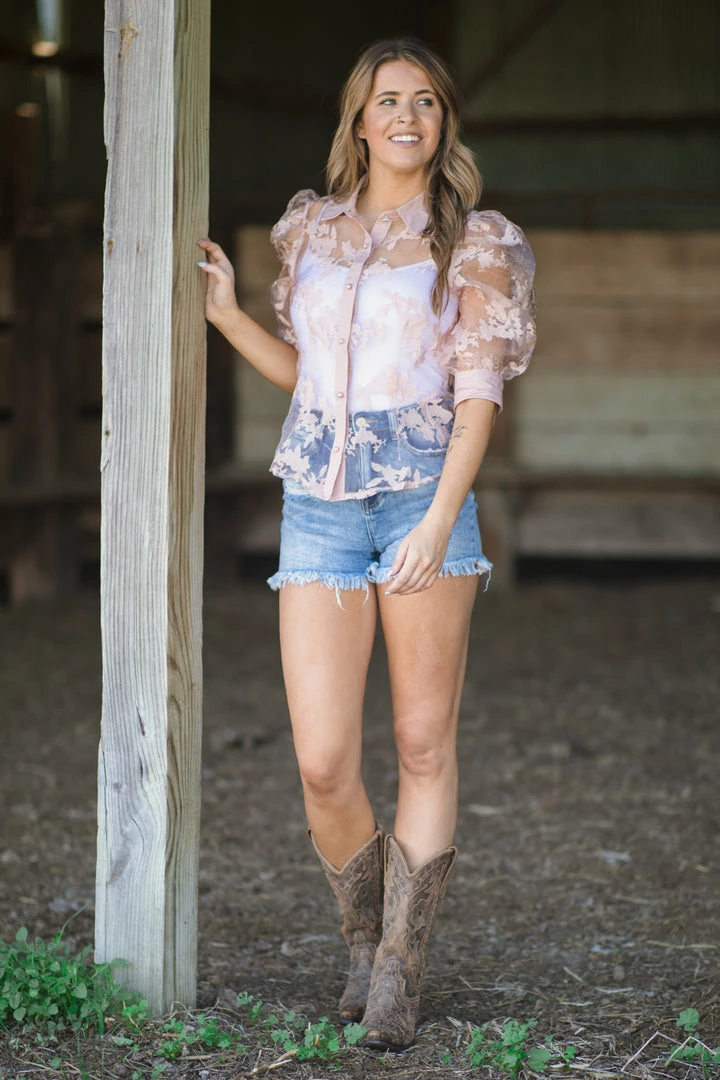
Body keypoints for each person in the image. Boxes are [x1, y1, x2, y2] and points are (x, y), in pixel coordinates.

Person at [198, 36, 536, 1052]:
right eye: (388, 100)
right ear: (357, 118)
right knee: (322, 760)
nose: (406, 116)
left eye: (425, 101)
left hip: (424, 498)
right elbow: (307, 375)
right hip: (320, 505)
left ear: (443, 122)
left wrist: (438, 520)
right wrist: (227, 318)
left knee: (424, 743)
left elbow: (477, 397)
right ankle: (360, 940)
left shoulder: (473, 241)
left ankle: (397, 970)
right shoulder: (314, 232)